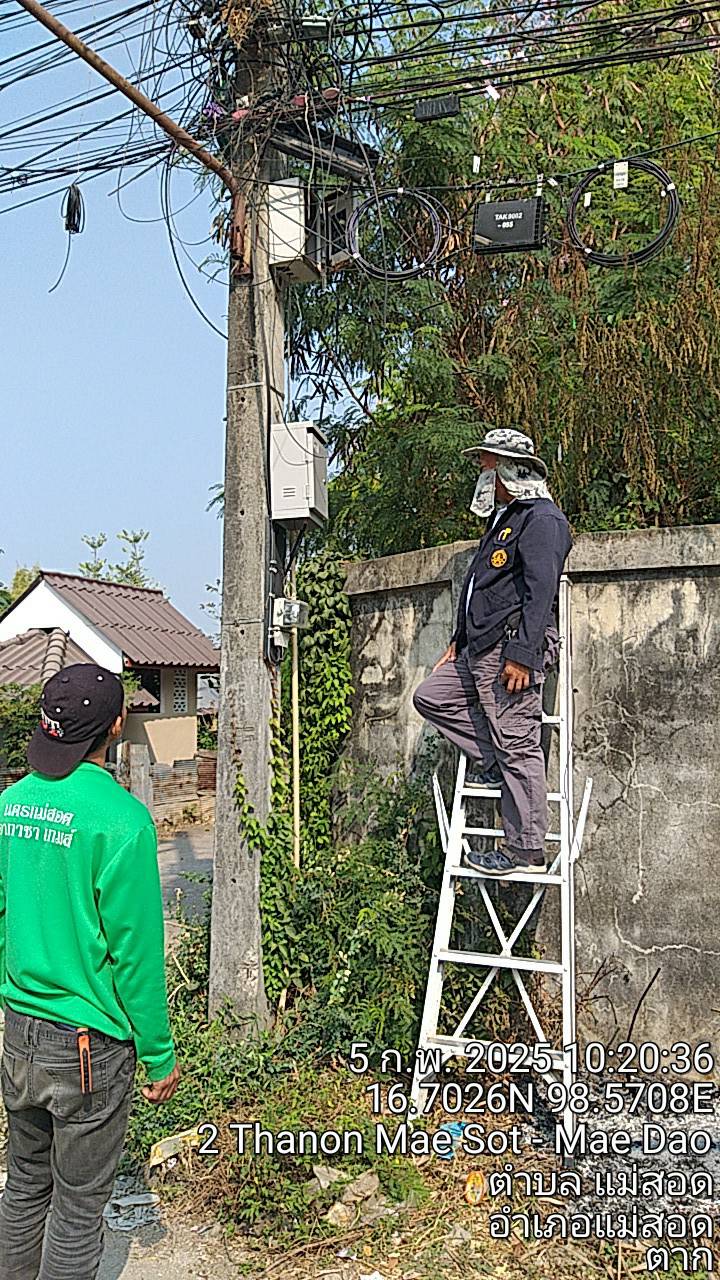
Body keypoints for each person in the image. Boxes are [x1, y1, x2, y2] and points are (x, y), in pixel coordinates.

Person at [0, 663, 179, 1280]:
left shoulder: (11, 804)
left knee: (25, 1184)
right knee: (78, 1207)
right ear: (117, 724)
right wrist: (158, 1053)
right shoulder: (121, 820)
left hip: (20, 1030)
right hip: (87, 1046)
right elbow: (136, 955)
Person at [413, 427, 572, 876]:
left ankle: (524, 848)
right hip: (478, 648)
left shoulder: (542, 520)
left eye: (487, 467)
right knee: (432, 696)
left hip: (508, 652)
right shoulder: (504, 519)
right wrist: (459, 640)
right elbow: (483, 588)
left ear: (508, 470)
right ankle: (493, 761)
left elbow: (540, 594)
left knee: (518, 746)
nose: (482, 476)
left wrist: (523, 653)